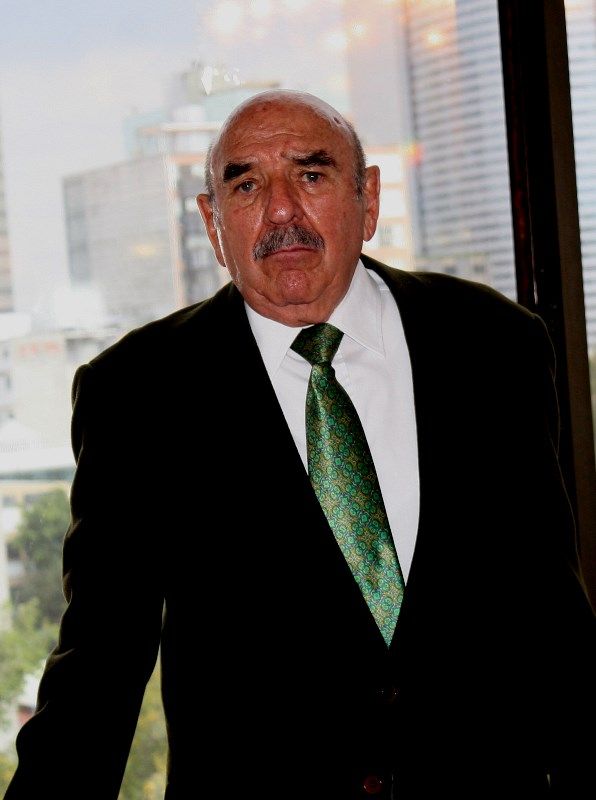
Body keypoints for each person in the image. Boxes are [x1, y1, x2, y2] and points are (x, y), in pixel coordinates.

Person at [4, 89, 596, 800]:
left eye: (311, 175)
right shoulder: (138, 392)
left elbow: (552, 618)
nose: (281, 210)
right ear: (212, 223)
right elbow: (100, 664)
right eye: (246, 186)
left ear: (367, 199)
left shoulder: (492, 344)